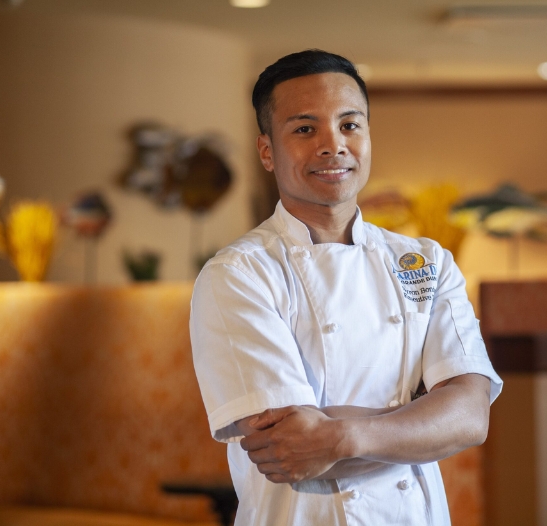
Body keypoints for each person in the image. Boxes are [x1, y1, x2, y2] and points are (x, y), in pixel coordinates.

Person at [190, 49, 502, 525]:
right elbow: (286, 449)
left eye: (350, 125)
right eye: (304, 128)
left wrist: (339, 436)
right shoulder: (238, 274)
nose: (332, 145)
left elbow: (470, 417)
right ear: (267, 151)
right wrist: (419, 418)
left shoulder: (426, 261)